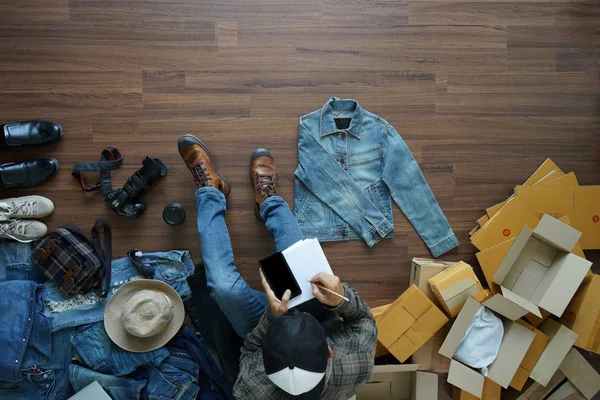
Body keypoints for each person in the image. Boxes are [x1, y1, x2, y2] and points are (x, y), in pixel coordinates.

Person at [177, 134, 377, 399]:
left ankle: (210, 190)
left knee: (223, 287)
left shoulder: (252, 389)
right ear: (329, 352)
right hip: (320, 315)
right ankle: (268, 201)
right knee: (298, 257)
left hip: (267, 324)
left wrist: (272, 317)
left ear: (266, 365)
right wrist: (341, 298)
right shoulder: (356, 363)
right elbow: (364, 319)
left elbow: (248, 349)